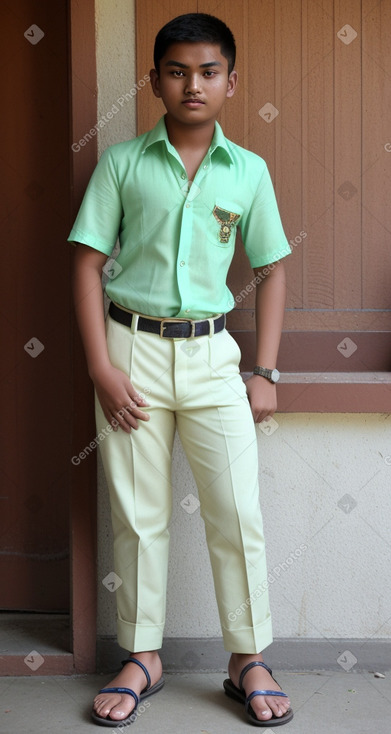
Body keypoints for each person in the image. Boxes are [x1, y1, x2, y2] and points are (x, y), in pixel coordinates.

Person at [69, 12, 293, 728]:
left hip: (211, 356)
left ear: (230, 80)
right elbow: (86, 263)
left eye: (206, 71)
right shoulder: (122, 164)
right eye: (175, 70)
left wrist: (265, 372)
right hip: (129, 352)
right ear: (155, 81)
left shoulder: (248, 171)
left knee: (236, 512)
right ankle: (141, 655)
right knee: (138, 518)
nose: (191, 84)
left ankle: (246, 657)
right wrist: (100, 367)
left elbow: (272, 270)